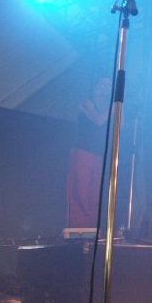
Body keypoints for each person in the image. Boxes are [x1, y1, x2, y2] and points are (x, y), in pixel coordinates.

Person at [66, 76, 111, 229]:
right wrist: (114, 107)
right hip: (83, 152)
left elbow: (121, 126)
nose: (104, 88)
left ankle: (92, 228)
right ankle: (77, 228)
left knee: (95, 194)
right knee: (81, 192)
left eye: (108, 86)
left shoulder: (110, 108)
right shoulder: (87, 103)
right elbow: (97, 120)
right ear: (95, 86)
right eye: (102, 84)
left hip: (99, 155)